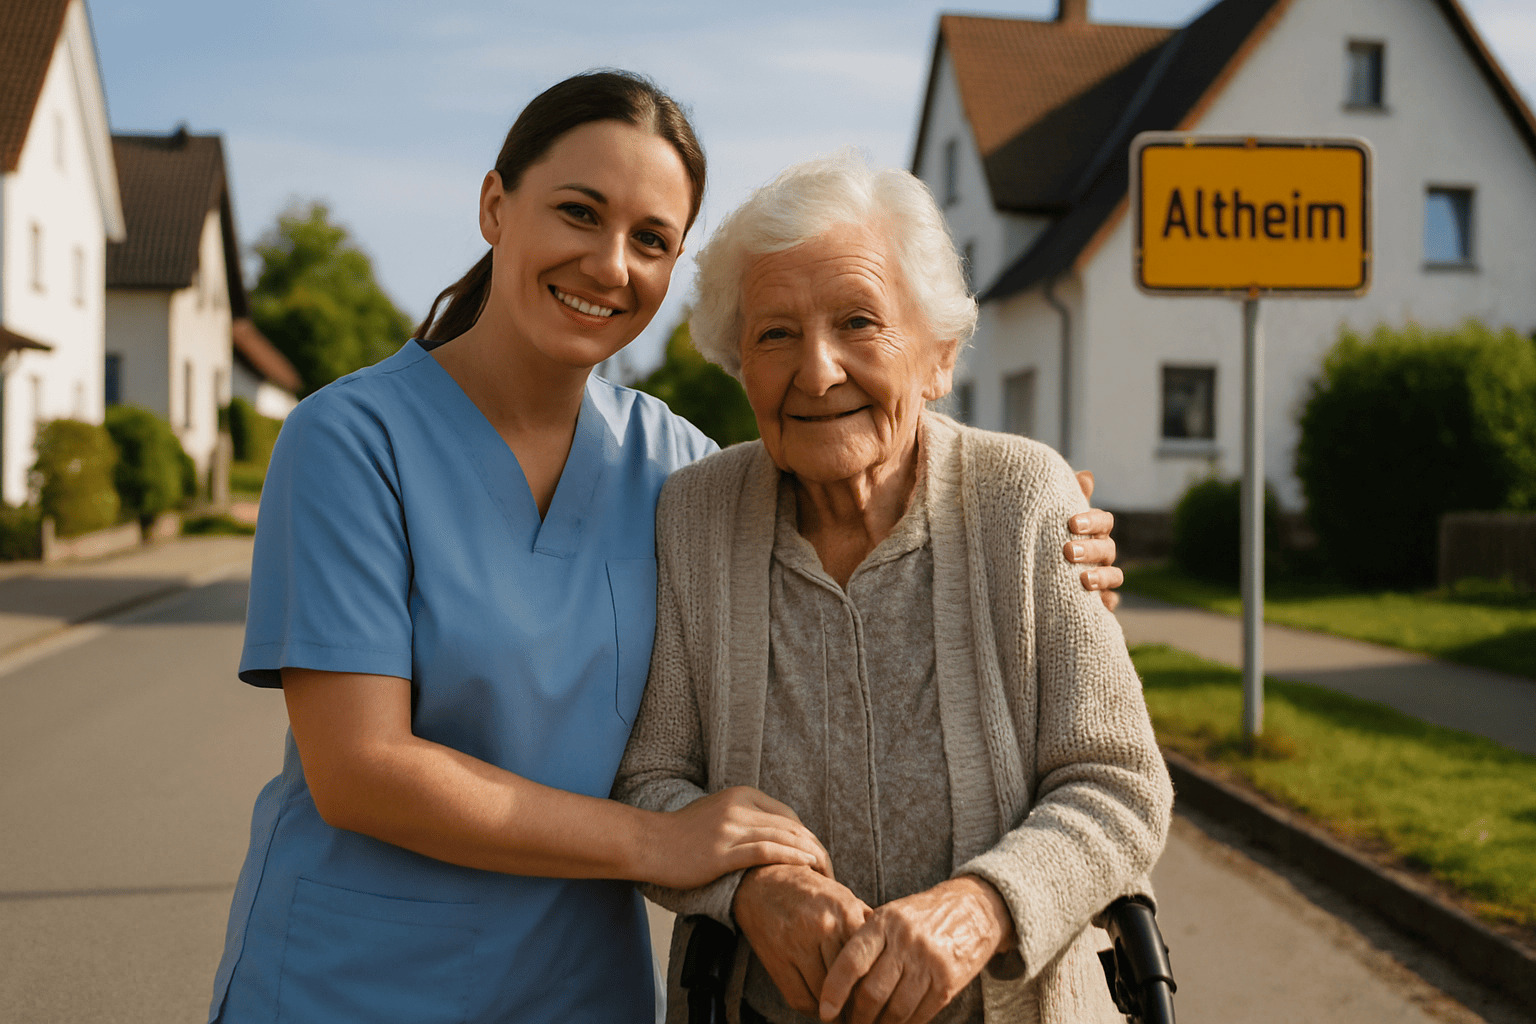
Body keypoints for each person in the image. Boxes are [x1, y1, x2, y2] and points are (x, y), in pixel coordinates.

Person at [210, 72, 1124, 1024]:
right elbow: (360, 772)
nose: (610, 265)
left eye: (650, 239)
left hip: (578, 991)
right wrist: (660, 841)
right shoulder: (348, 441)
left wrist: (1045, 530)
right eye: (578, 212)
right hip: (352, 983)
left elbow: (859, 447)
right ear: (494, 206)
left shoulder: (677, 468)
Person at [614, 152, 1172, 1024]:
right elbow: (651, 779)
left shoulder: (1023, 498)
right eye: (774, 335)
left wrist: (982, 907)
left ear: (938, 357)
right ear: (739, 365)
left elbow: (1120, 783)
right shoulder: (694, 514)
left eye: (859, 322)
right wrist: (752, 888)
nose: (819, 370)